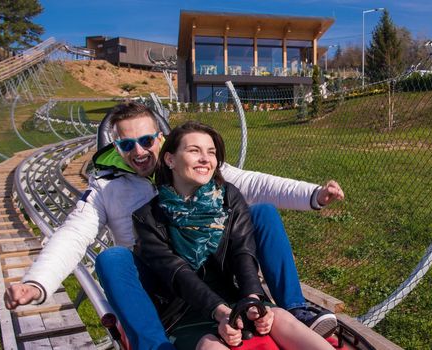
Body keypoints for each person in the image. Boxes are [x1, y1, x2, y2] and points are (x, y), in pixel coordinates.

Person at [3, 102, 344, 349]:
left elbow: (255, 184)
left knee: (263, 212)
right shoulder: (108, 189)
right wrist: (37, 283)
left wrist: (313, 194)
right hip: (160, 278)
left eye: (146, 140)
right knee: (112, 259)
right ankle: (155, 343)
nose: (138, 151)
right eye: (126, 144)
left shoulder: (193, 168)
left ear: (162, 141)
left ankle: (294, 306)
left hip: (211, 269)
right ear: (116, 149)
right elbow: (73, 235)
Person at [133, 120, 333, 350]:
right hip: (185, 310)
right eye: (194, 151)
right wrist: (221, 313)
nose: (205, 159)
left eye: (211, 152)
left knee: (284, 320)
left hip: (234, 296)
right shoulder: (146, 217)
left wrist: (253, 300)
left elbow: (242, 251)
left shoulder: (229, 196)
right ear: (170, 159)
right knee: (211, 346)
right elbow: (177, 274)